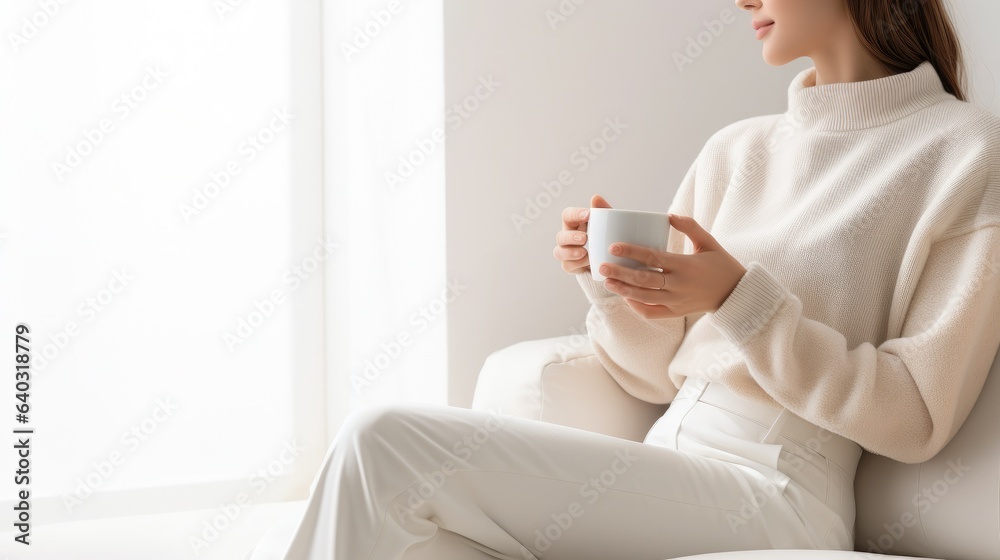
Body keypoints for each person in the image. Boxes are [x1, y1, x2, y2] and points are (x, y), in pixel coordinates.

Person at [248, 0, 1000, 558]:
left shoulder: (962, 152)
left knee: (382, 442)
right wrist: (609, 283)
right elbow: (652, 376)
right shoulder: (738, 149)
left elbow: (916, 417)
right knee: (421, 541)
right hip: (669, 459)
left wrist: (737, 300)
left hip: (779, 489)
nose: (741, 2)